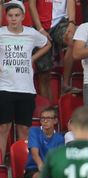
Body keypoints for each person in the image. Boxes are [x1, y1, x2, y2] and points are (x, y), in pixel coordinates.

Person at [0, 0, 51, 163]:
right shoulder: (1, 33)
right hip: (4, 87)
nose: (13, 19)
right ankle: (1, 164)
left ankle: (23, 165)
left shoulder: (31, 33)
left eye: (17, 15)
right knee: (3, 128)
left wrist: (32, 58)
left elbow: (47, 44)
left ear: (23, 16)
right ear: (6, 17)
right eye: (10, 16)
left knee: (24, 129)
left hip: (26, 88)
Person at [28, 0, 75, 99]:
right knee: (44, 74)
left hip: (60, 23)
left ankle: (65, 84)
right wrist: (40, 29)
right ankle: (47, 108)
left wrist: (71, 22)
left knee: (73, 39)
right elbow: (32, 5)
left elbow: (71, 1)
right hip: (41, 25)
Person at [25, 107, 65, 178]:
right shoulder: (34, 131)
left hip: (52, 170)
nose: (45, 121)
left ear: (55, 120)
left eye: (48, 118)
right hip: (34, 169)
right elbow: (35, 154)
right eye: (42, 118)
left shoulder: (60, 138)